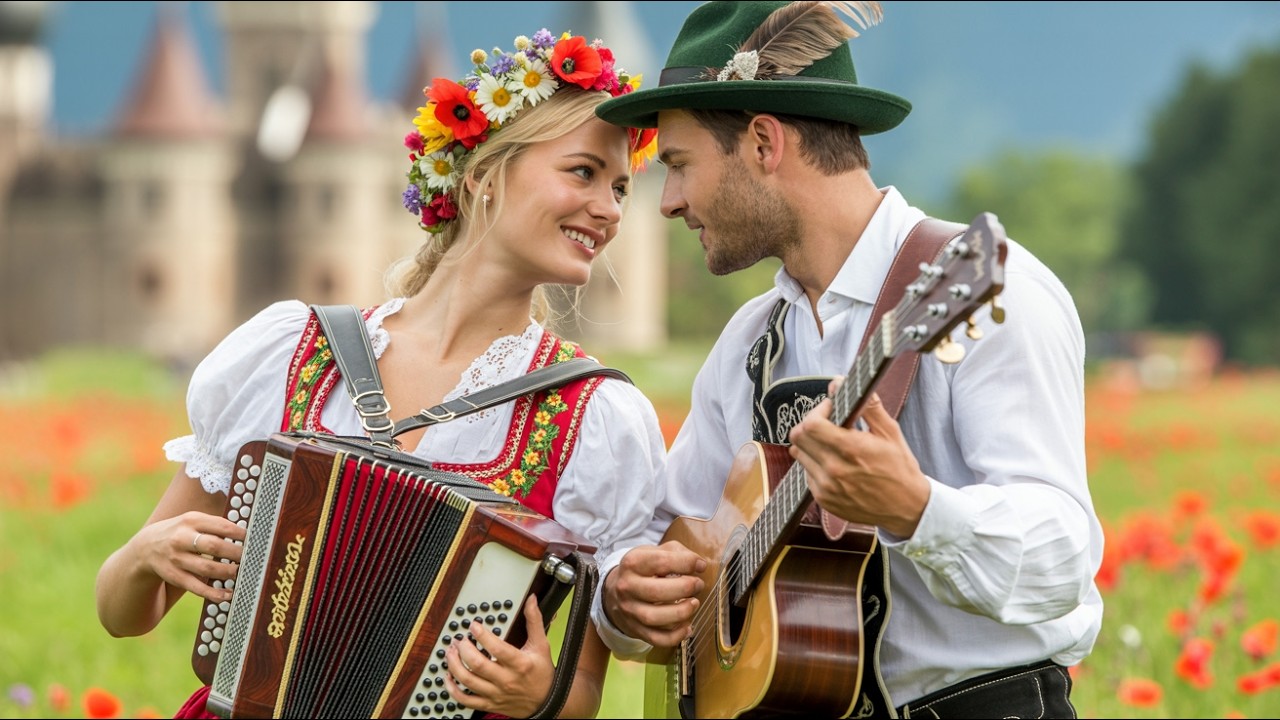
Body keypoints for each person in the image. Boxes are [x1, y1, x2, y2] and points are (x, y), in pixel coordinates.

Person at [95, 27, 664, 720]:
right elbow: (124, 613)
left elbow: (583, 695)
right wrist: (146, 554)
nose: (608, 208)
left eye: (622, 188)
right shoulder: (291, 351)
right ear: (485, 176)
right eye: (583, 172)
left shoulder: (592, 416)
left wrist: (537, 693)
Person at [590, 1, 1103, 717]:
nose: (668, 202)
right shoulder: (748, 341)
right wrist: (623, 593)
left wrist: (919, 510)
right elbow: (665, 533)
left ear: (764, 143)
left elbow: (1064, 560)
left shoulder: (991, 290)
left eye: (678, 165)